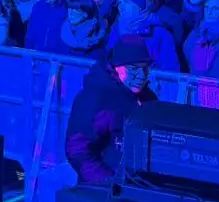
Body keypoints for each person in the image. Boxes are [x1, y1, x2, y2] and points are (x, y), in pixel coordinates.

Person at [64, 35, 158, 185]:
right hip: (102, 191)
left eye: (145, 68)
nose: (141, 76)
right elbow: (78, 149)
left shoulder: (148, 99)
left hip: (137, 187)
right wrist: (108, 183)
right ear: (116, 67)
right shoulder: (97, 99)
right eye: (133, 69)